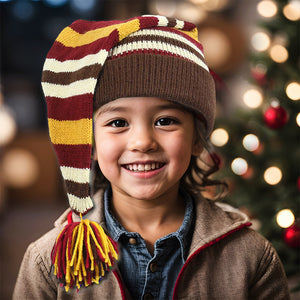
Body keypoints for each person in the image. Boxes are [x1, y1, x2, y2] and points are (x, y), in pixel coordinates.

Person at [13, 15, 290, 299]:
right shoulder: (47, 261)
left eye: (165, 120)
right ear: (89, 143)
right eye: (118, 123)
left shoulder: (251, 257)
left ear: (196, 138)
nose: (143, 142)